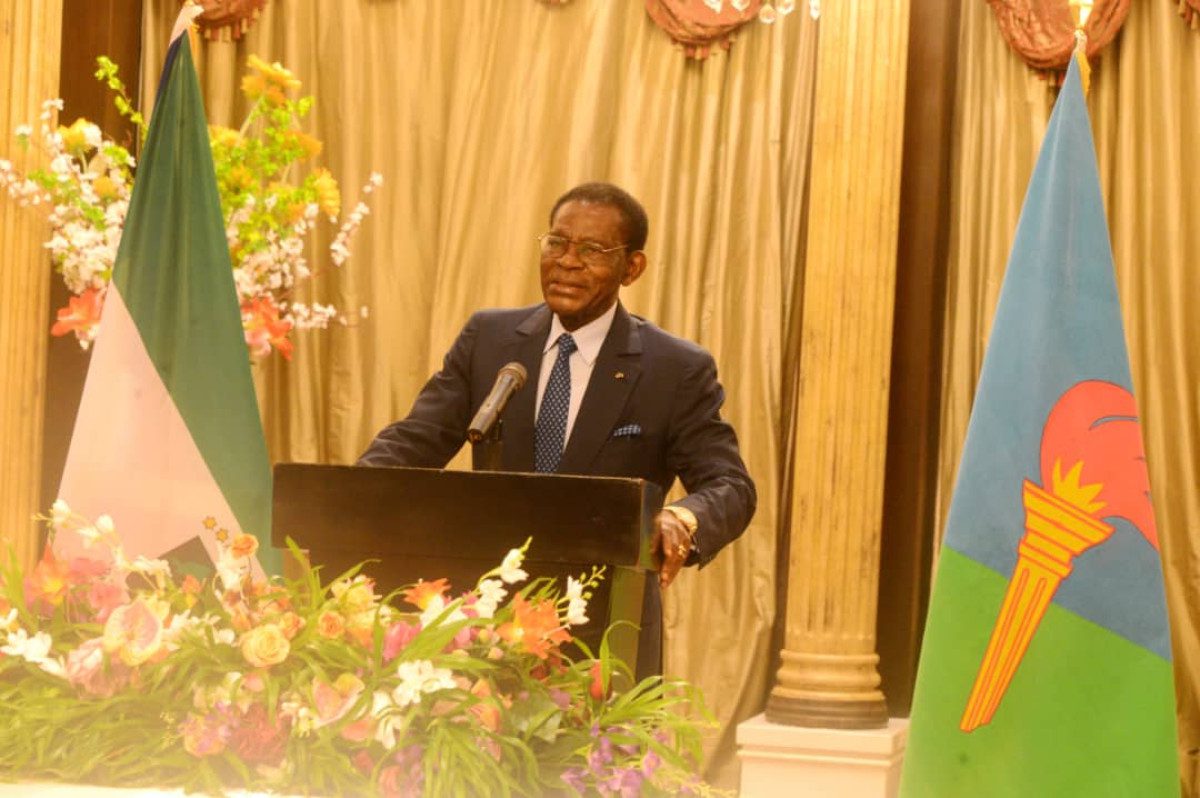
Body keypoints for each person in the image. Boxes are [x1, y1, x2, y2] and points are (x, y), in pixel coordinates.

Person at [358, 182, 755, 674]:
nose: (567, 261)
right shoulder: (490, 340)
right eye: (557, 243)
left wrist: (682, 519)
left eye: (592, 250)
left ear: (632, 267)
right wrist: (348, 495)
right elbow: (414, 441)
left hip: (605, 631)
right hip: (488, 626)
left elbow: (731, 485)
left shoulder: (672, 368)